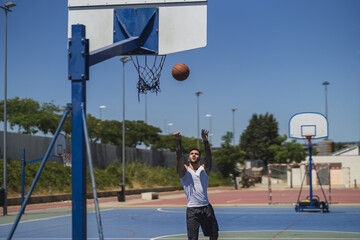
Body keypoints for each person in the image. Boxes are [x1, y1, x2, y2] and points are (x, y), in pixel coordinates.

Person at [172, 129, 219, 240]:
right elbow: (179, 157)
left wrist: (205, 141)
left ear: (199, 158)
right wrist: (179, 142)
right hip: (192, 210)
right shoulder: (184, 171)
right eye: (192, 154)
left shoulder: (204, 170)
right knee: (193, 238)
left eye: (196, 154)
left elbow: (209, 157)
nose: (194, 155)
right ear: (188, 158)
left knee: (214, 235)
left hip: (206, 207)